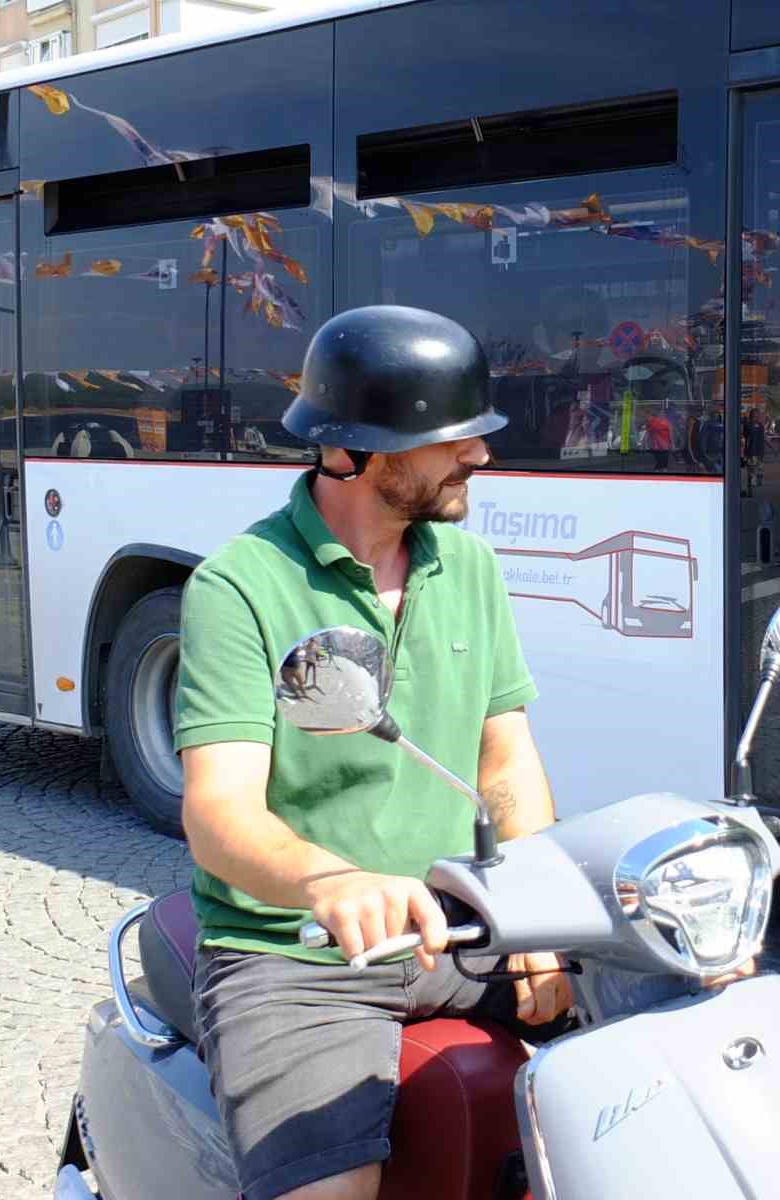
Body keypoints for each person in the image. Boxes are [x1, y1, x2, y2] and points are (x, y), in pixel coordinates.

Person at [175, 306, 573, 1200]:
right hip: (301, 952)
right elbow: (218, 810)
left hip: (463, 925)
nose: (480, 455)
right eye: (453, 438)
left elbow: (503, 762)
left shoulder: (465, 566)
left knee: (680, 1034)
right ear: (357, 453)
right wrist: (332, 884)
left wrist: (540, 918)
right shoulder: (239, 587)